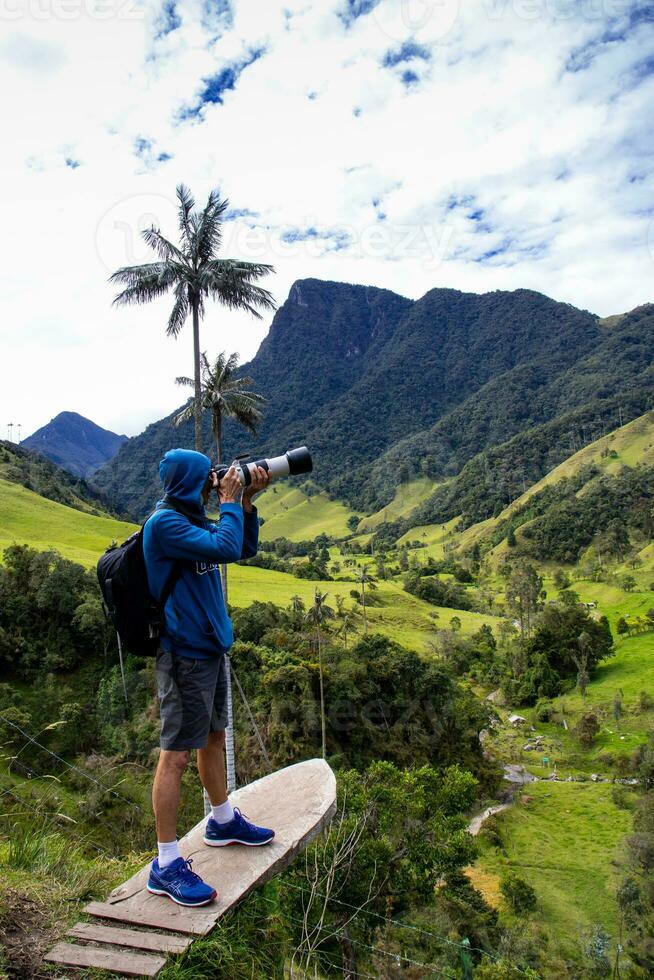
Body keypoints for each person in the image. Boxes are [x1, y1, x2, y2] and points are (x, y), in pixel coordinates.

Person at [143, 448, 274, 907]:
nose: (214, 482)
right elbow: (223, 546)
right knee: (174, 758)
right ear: (189, 482)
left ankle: (221, 821)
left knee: (215, 738)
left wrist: (248, 503)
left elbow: (240, 547)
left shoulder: (194, 519)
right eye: (208, 477)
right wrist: (231, 501)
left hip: (211, 650)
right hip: (183, 657)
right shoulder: (166, 524)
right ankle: (165, 863)